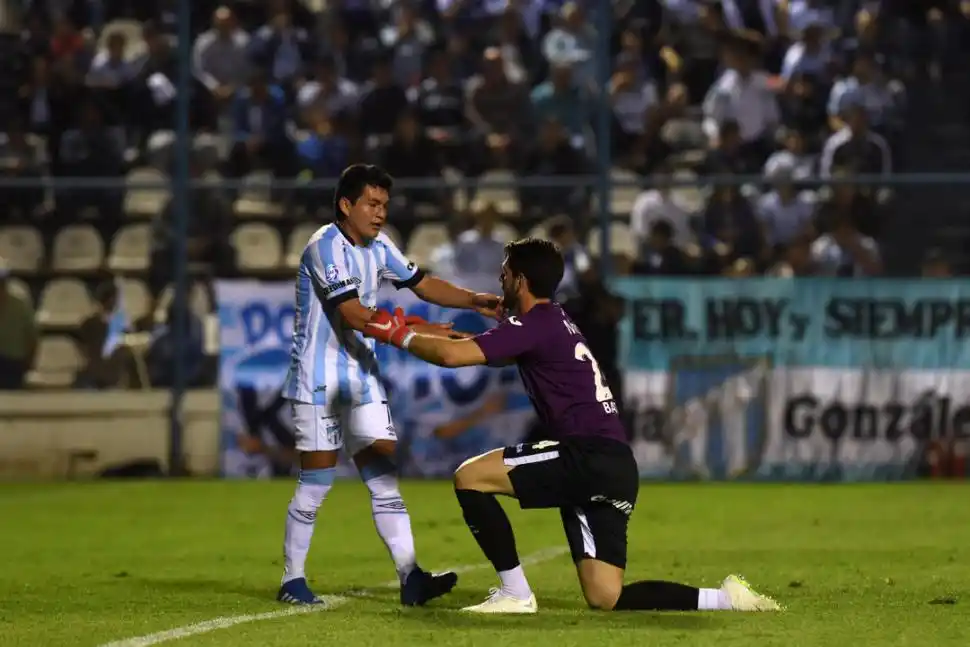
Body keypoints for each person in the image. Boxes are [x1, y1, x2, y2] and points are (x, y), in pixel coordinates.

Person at [362, 238, 781, 614]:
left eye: (504, 273)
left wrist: (396, 335)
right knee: (606, 596)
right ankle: (724, 599)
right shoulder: (554, 320)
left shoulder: (535, 324)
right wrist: (416, 331)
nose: (499, 279)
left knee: (470, 477)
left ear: (520, 280)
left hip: (586, 455)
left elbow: (456, 358)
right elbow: (469, 350)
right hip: (615, 465)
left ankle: (515, 593)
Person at [277, 164, 502, 607]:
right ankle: (292, 579)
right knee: (316, 483)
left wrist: (475, 299)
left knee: (384, 481)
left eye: (384, 205)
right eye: (372, 204)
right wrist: (421, 337)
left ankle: (410, 577)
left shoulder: (379, 246)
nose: (380, 214)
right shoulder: (325, 247)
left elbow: (422, 283)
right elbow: (355, 315)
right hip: (319, 380)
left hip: (362, 376)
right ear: (346, 205)